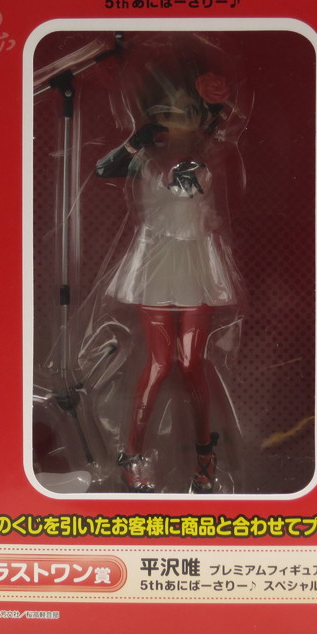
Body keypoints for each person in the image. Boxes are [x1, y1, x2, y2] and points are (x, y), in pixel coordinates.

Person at [93, 45, 246, 493]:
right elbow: (103, 169)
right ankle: (132, 452)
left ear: (200, 116)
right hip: (156, 263)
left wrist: (213, 115)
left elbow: (189, 181)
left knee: (191, 363)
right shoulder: (145, 157)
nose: (172, 122)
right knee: (160, 364)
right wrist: (137, 140)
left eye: (184, 112)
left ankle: (205, 453)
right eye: (163, 113)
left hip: (195, 262)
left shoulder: (201, 157)